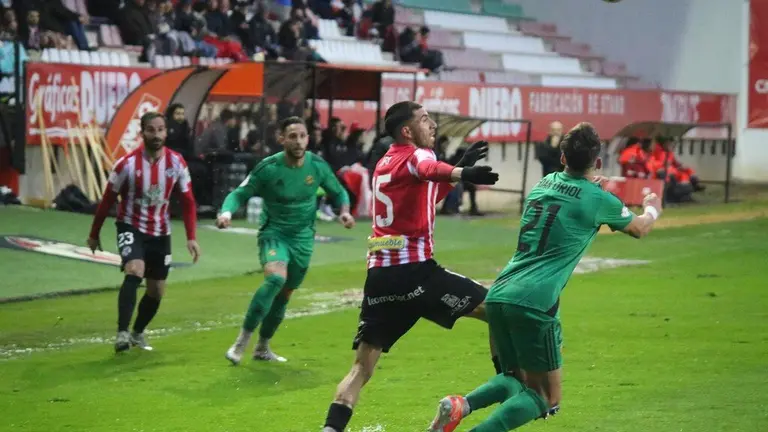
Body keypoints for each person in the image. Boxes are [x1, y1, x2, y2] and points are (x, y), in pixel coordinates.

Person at [426, 122, 663, 432]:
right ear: (600, 163)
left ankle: (461, 405)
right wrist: (652, 208)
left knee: (515, 380)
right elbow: (638, 229)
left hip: (498, 293)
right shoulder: (598, 199)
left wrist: (592, 188)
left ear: (562, 159)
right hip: (535, 302)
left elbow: (568, 199)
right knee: (546, 398)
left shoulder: (543, 184)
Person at [321, 101, 501, 432]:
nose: (432, 125)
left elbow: (426, 195)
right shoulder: (418, 154)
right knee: (500, 309)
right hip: (416, 274)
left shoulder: (384, 164)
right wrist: (461, 172)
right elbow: (430, 169)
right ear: (407, 130)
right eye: (425, 119)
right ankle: (510, 384)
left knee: (361, 368)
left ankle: (330, 429)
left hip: (379, 279)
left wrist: (457, 168)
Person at [215, 116, 355, 365]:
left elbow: (338, 191)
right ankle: (241, 342)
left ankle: (262, 347)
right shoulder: (268, 168)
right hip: (274, 234)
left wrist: (344, 211)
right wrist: (226, 212)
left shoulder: (317, 166)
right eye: (292, 136)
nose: (299, 141)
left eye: (302, 136)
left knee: (285, 293)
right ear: (281, 139)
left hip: (303, 239)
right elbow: (239, 193)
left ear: (308, 139)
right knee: (276, 279)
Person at [87, 112, 201, 353]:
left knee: (157, 291)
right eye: (151, 130)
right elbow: (107, 200)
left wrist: (191, 237)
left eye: (160, 130)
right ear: (142, 133)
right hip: (131, 225)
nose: (156, 135)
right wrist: (94, 232)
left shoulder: (177, 163)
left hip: (161, 231)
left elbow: (188, 201)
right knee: (134, 269)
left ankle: (137, 332)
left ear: (166, 132)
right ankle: (122, 332)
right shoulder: (126, 165)